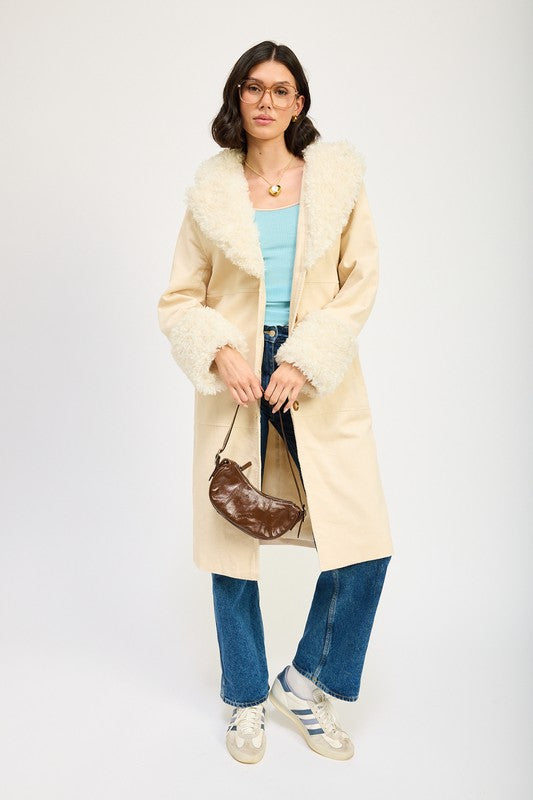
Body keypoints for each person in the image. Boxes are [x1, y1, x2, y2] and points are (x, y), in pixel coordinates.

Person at [158, 40, 394, 764]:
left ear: (299, 103)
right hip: (237, 372)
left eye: (280, 89)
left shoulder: (337, 183)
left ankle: (303, 682)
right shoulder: (211, 192)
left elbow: (359, 284)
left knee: (363, 539)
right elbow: (179, 298)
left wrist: (305, 355)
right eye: (253, 87)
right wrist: (220, 350)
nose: (266, 100)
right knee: (230, 542)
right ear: (237, 97)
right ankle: (244, 699)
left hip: (313, 371)